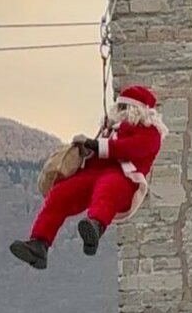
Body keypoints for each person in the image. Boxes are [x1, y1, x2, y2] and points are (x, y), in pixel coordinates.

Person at [9, 84, 167, 269]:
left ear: (137, 110)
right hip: (93, 173)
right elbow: (101, 151)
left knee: (108, 187)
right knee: (61, 193)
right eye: (120, 107)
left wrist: (97, 145)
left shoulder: (150, 133)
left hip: (125, 178)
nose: (121, 111)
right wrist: (86, 149)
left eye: (125, 107)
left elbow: (131, 148)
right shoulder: (109, 129)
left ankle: (95, 226)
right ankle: (39, 243)